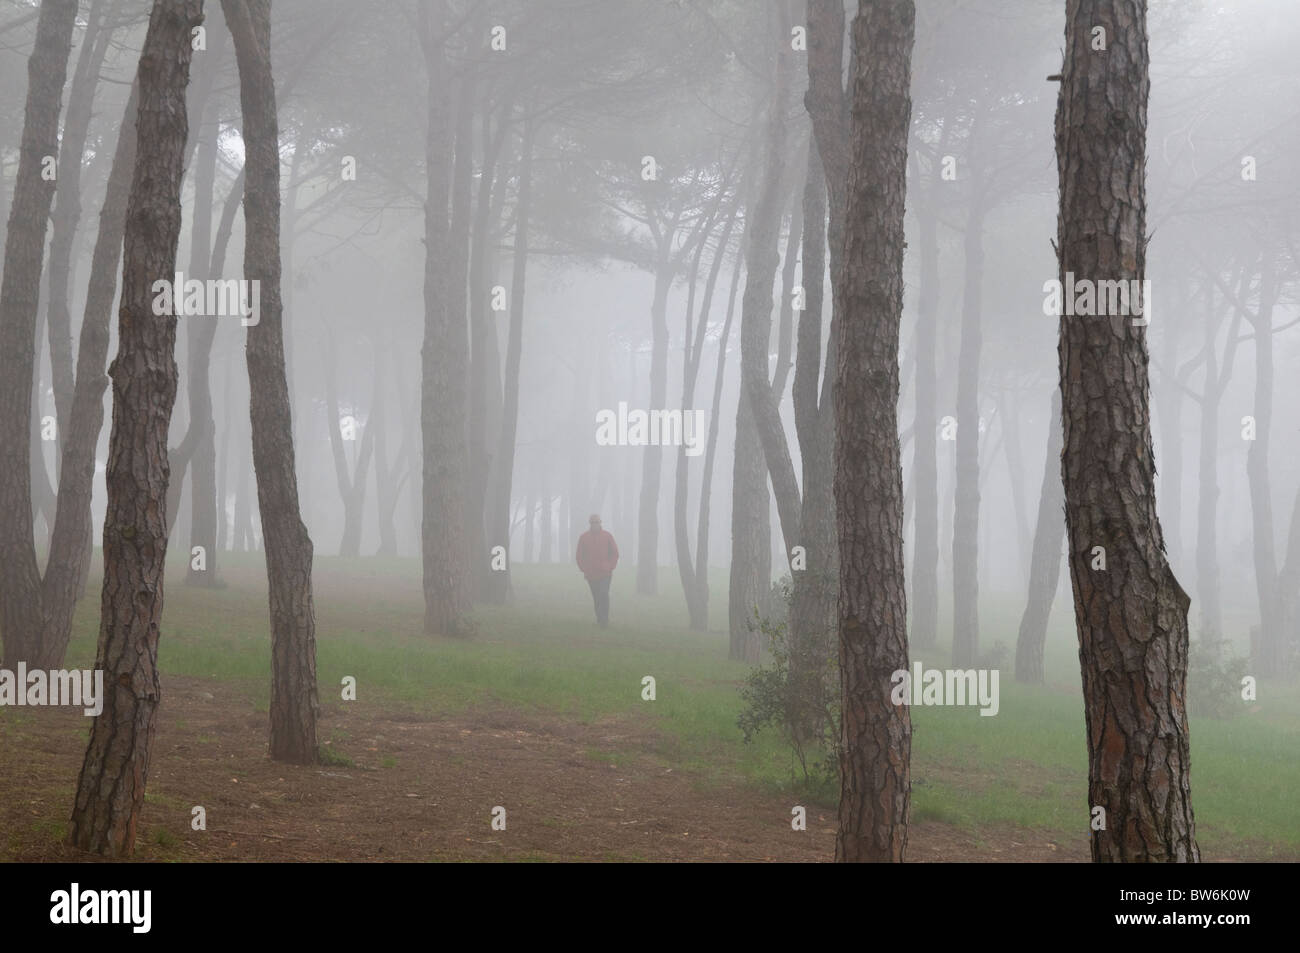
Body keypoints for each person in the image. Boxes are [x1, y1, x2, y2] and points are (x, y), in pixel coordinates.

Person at [576, 514, 619, 626]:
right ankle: (600, 618)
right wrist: (584, 568)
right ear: (590, 524)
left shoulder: (607, 536)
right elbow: (579, 556)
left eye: (597, 522)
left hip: (605, 573)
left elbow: (614, 553)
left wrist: (610, 566)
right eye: (593, 523)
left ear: (600, 523)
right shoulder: (583, 537)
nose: (595, 525)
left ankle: (604, 619)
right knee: (596, 597)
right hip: (591, 574)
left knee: (604, 594)